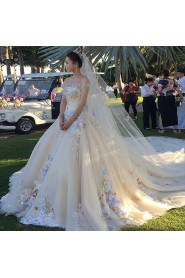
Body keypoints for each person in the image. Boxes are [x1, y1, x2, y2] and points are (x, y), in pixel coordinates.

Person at [1, 50, 185, 231]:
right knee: (54, 156)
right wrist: (62, 118)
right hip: (64, 121)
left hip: (79, 121)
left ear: (75, 64)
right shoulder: (66, 81)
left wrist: (70, 120)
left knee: (84, 154)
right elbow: (64, 100)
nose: (65, 65)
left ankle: (89, 193)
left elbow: (81, 104)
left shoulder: (84, 81)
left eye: (67, 62)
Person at [157, 69, 183, 134]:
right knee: (173, 113)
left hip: (161, 98)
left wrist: (160, 92)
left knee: (162, 113)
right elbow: (178, 89)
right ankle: (176, 129)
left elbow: (153, 90)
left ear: (162, 74)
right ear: (169, 74)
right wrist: (181, 96)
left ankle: (161, 129)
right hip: (170, 98)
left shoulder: (157, 81)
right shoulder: (173, 80)